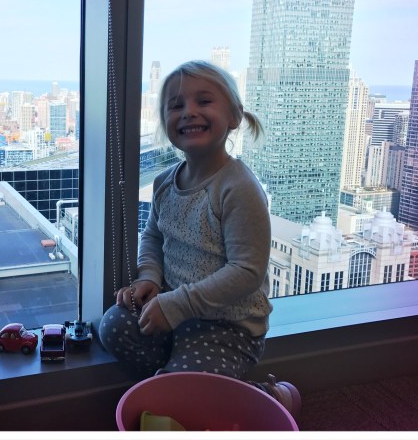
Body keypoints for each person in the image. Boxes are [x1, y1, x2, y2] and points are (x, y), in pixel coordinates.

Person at [98, 60, 301, 417]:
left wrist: (178, 305)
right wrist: (149, 277)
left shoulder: (238, 188)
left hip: (227, 327)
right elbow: (153, 236)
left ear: (234, 116)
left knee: (178, 402)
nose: (189, 112)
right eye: (175, 105)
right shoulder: (164, 182)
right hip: (174, 308)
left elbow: (247, 271)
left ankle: (264, 397)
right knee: (113, 326)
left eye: (204, 101)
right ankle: (186, 379)